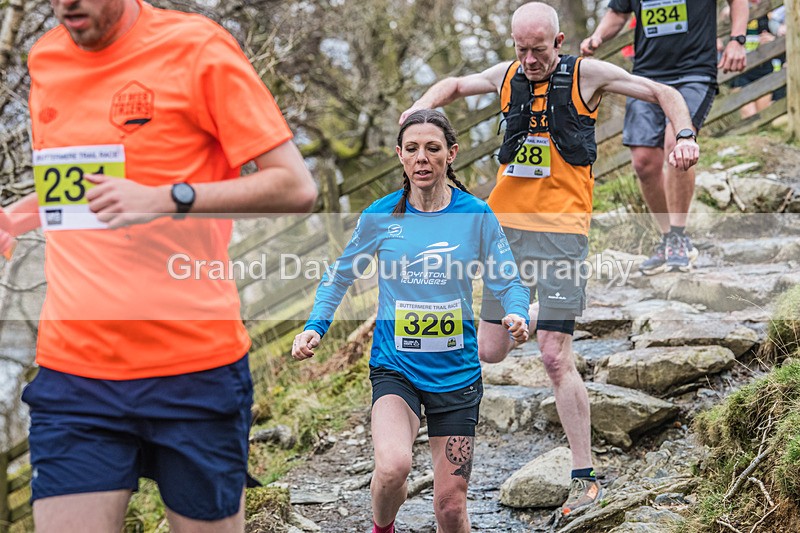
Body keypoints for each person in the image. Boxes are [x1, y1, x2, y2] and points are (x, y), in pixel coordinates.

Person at [0, 0, 317, 531]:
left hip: (193, 367)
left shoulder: (197, 48)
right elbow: (82, 185)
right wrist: (16, 216)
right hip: (76, 371)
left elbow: (295, 187)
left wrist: (167, 198)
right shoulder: (46, 58)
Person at [399, 1, 699, 515]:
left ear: (558, 42)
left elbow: (663, 92)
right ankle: (545, 312)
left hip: (562, 233)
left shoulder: (588, 75)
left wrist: (685, 134)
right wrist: (418, 111)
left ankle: (584, 476)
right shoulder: (507, 75)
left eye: (539, 50)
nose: (530, 60)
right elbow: (452, 85)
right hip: (504, 233)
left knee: (555, 356)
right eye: (522, 50)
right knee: (491, 350)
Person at [292, 109, 530, 533]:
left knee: (450, 508)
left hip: (456, 374)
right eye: (413, 149)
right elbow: (340, 275)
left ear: (451, 154)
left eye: (433, 148)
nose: (422, 158)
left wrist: (516, 311)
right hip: (395, 368)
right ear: (400, 155)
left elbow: (509, 279)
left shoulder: (475, 215)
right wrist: (315, 326)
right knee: (392, 468)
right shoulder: (382, 215)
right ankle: (382, 528)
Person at [581, 0, 748, 274]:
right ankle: (668, 237)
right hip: (647, 75)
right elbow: (618, 12)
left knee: (677, 144)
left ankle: (679, 236)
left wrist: (737, 40)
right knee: (643, 162)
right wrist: (597, 36)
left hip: (694, 72)